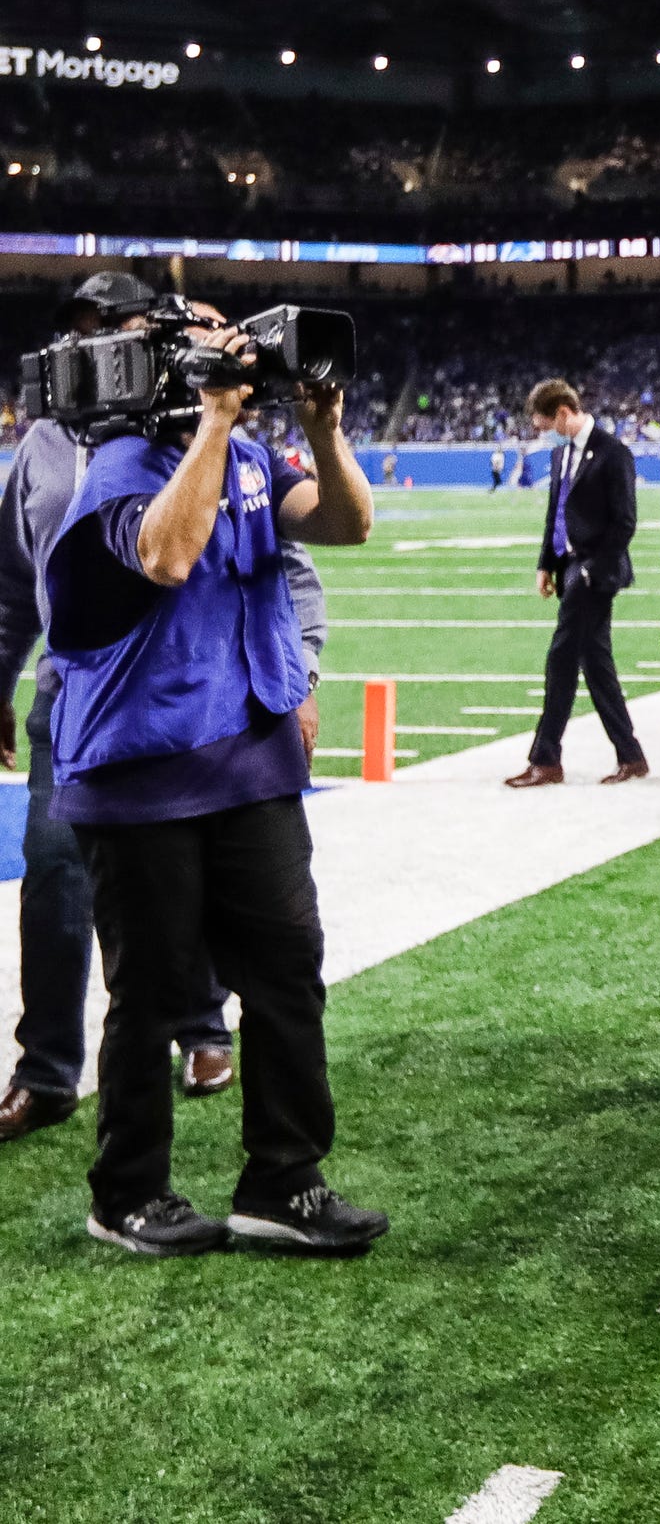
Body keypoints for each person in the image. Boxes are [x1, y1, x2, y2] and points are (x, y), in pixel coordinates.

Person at [45, 315, 384, 1258]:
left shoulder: (253, 453)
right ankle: (128, 1193)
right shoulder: (118, 461)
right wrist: (213, 421)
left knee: (287, 968)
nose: (238, 350)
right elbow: (166, 555)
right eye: (211, 339)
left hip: (252, 751)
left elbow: (349, 523)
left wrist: (322, 426)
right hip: (143, 763)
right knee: (151, 993)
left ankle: (284, 1179)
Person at [0, 278, 331, 1144]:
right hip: (77, 704)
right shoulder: (47, 447)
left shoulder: (212, 442)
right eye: (86, 330)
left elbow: (292, 562)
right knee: (61, 884)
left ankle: (206, 1035)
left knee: (206, 901)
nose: (99, 344)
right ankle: (49, 1073)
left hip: (200, 706)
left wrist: (302, 676)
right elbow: (15, 582)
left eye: (114, 328)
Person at [508, 380, 648, 788]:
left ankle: (546, 758)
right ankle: (631, 755)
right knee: (596, 665)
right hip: (570, 569)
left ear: (565, 412)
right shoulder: (560, 454)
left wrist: (591, 571)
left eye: (545, 423)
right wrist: (545, 565)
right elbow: (556, 514)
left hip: (594, 574)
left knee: (561, 660)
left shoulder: (612, 453)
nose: (544, 432)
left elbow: (625, 521)